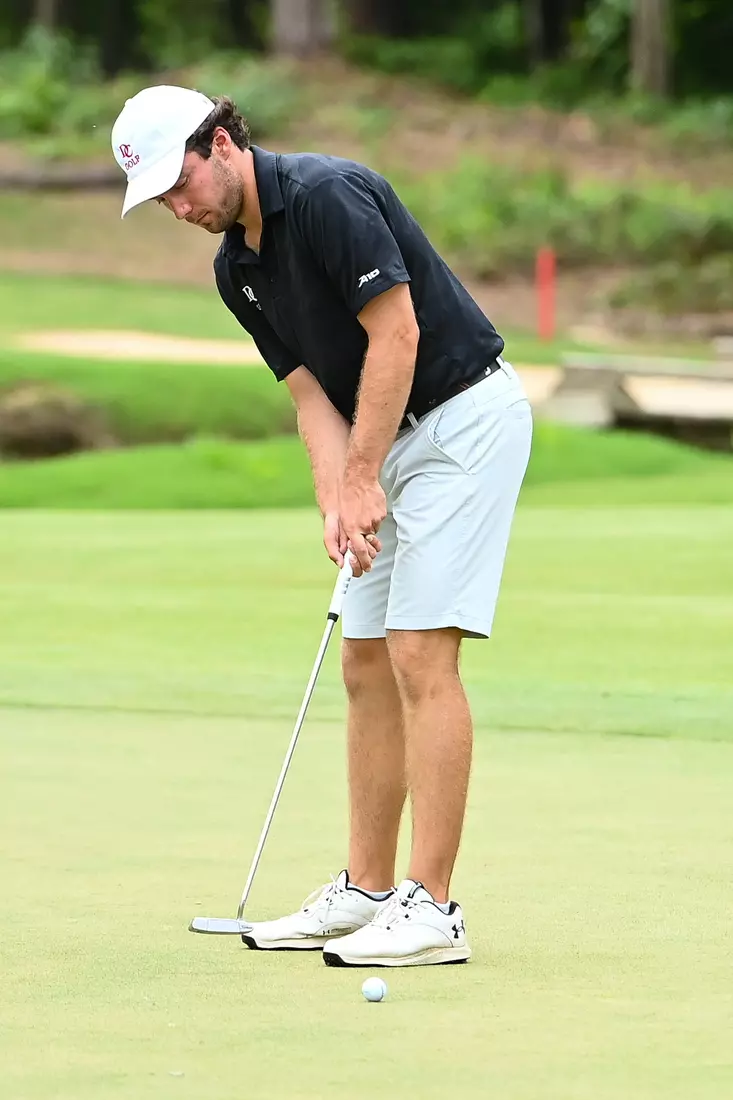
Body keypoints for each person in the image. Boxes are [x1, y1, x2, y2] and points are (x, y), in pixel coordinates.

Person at [112, 84, 533, 968]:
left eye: (179, 185)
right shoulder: (237, 270)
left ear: (220, 142)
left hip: (461, 420)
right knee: (364, 656)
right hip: (380, 442)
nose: (179, 209)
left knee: (421, 650)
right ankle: (367, 890)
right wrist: (337, 500)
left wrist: (363, 473)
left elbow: (398, 336)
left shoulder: (326, 195)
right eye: (160, 202)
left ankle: (433, 910)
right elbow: (311, 393)